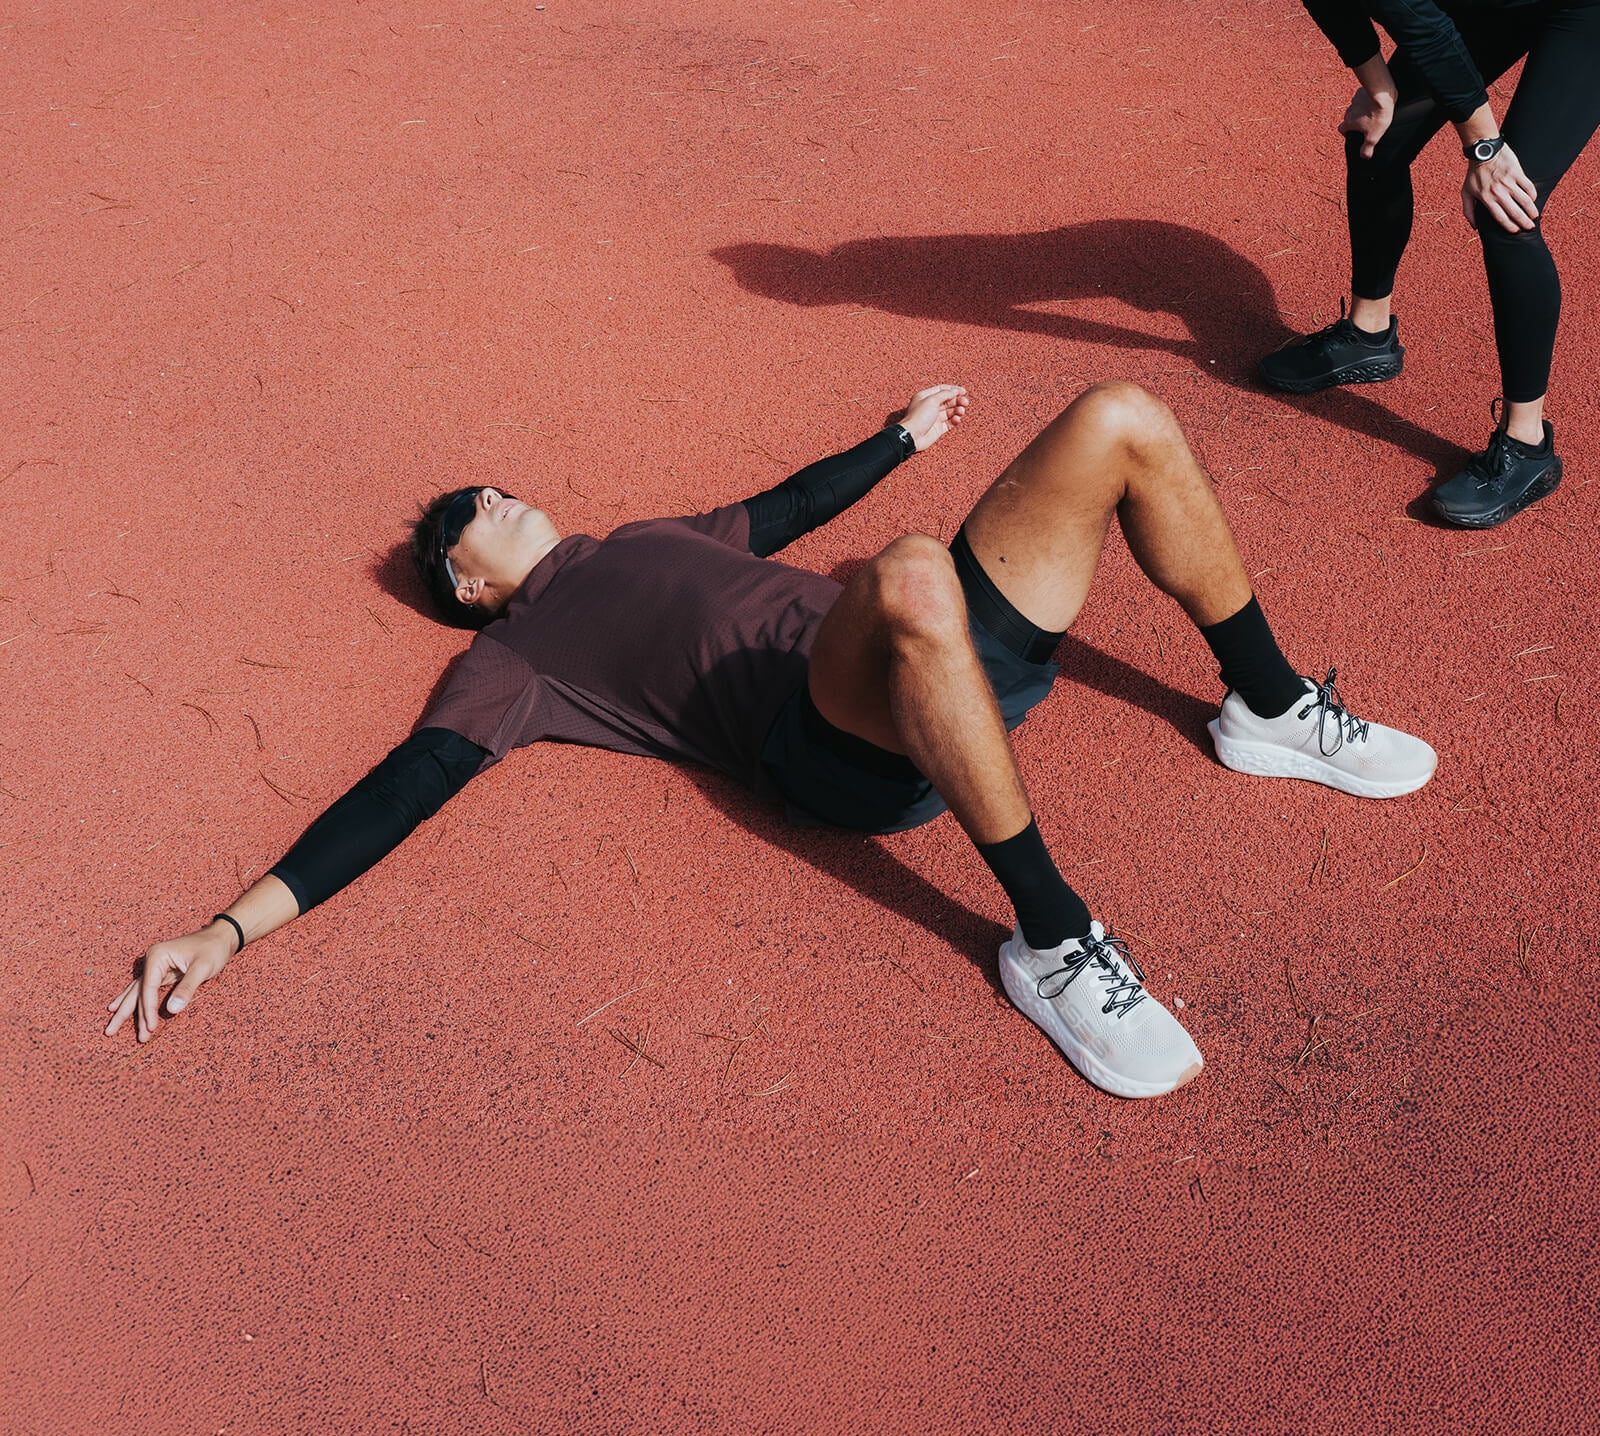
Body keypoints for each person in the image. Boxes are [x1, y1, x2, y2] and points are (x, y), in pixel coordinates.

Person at [105, 379, 1436, 1099]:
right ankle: (1051, 940)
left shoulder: (640, 538)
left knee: (1119, 415)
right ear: (467, 582)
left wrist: (896, 437)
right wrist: (224, 931)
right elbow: (399, 791)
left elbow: (783, 509)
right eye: (479, 513)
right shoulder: (513, 661)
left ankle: (1267, 707)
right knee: (910, 572)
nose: (504, 496)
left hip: (945, 658)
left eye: (502, 485)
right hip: (839, 742)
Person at [1120, 0, 1600, 528]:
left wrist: (1485, 150)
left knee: (1505, 206)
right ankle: (1370, 334)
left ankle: (1528, 444)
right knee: (1375, 140)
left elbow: (1424, 27)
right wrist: (1377, 85)